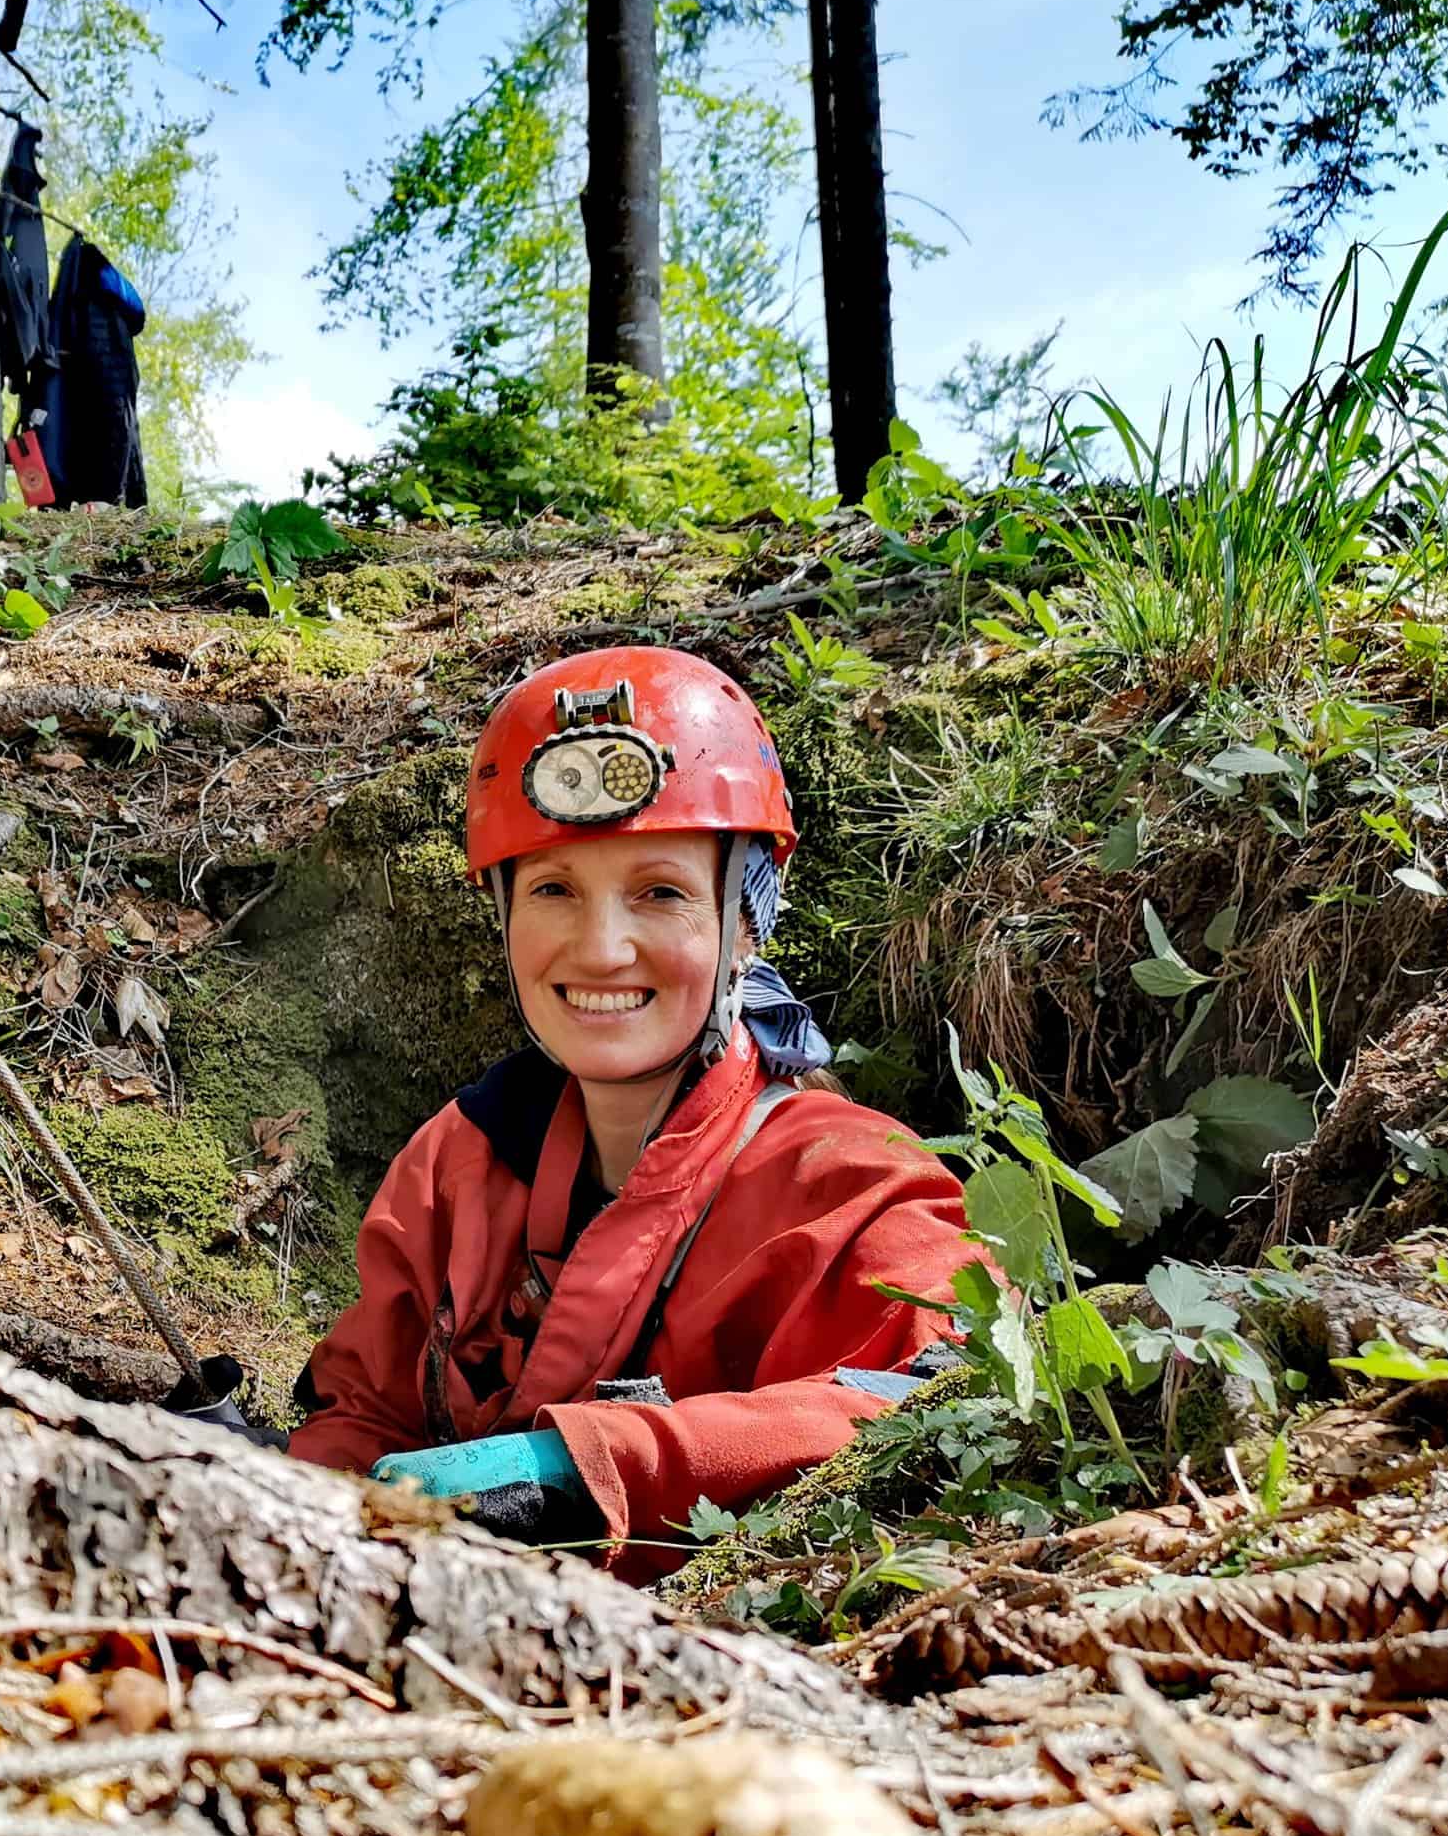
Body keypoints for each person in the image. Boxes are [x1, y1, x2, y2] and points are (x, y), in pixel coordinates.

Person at [280, 646, 986, 1578]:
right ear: (502, 916)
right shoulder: (461, 1164)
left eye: (660, 893)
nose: (602, 948)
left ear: (744, 925)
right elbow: (361, 1408)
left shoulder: (852, 1187)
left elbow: (950, 1400)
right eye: (553, 891)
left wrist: (593, 1468)